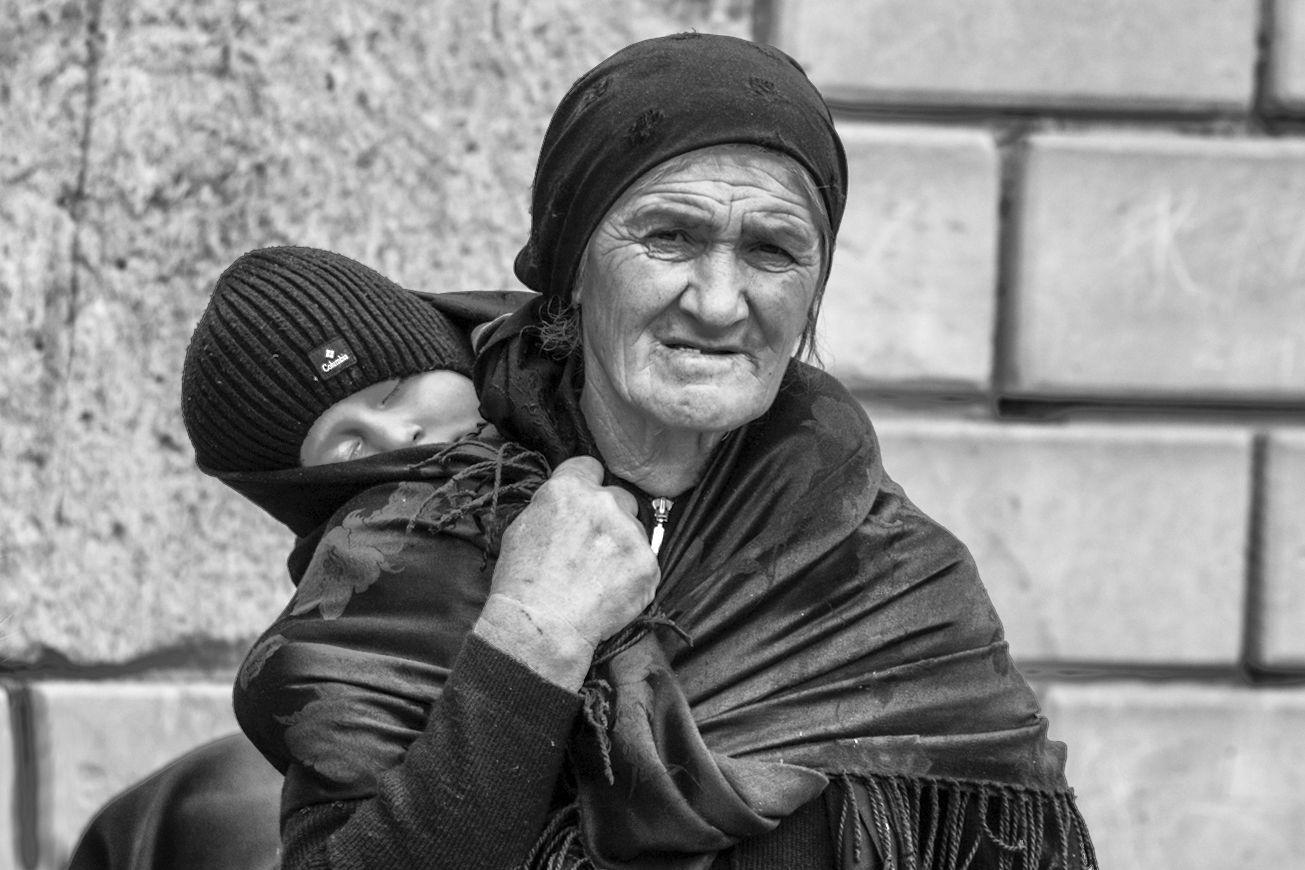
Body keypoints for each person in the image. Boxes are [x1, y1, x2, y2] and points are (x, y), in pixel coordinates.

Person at [231, 32, 1097, 870]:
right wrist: (531, 640)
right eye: (668, 237)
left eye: (771, 250)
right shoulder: (409, 548)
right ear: (572, 268)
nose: (718, 303)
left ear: (813, 288)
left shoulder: (900, 582)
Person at [68, 244, 532, 870]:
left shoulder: (617, 411)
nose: (400, 435)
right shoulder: (323, 670)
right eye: (348, 447)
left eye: (398, 392)